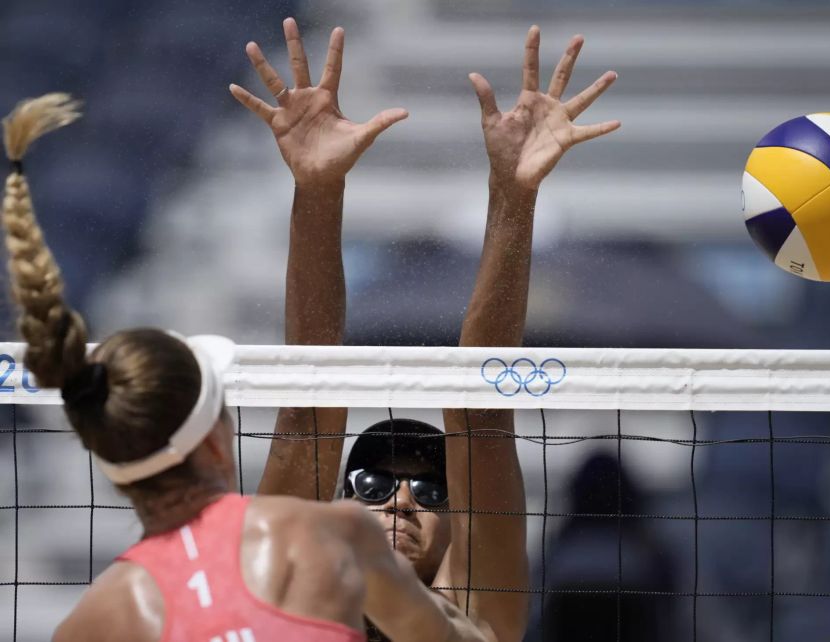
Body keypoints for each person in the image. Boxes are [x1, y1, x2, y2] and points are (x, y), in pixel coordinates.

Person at [2, 96, 487, 642]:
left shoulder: (96, 622)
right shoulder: (333, 540)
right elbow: (312, 396)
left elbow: (311, 403)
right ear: (214, 440)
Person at [231, 19, 620, 642]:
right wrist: (318, 190)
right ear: (337, 512)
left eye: (432, 489)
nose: (402, 499)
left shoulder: (477, 616)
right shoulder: (290, 602)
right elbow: (308, 404)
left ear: (457, 521)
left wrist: (513, 194)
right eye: (373, 482)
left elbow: (480, 414)